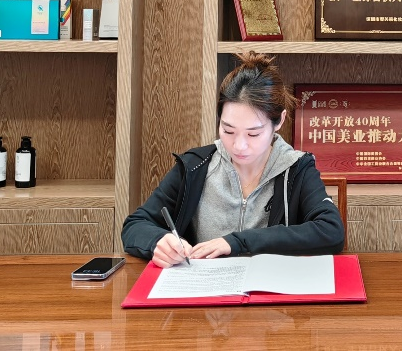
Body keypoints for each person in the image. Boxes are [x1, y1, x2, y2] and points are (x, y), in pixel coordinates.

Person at [122, 52, 345, 266]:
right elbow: (135, 225)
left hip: (270, 287)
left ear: (279, 122)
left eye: (253, 134)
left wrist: (238, 242)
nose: (239, 145)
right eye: (228, 130)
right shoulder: (196, 166)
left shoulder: (296, 169)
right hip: (205, 287)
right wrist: (157, 242)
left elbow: (331, 231)